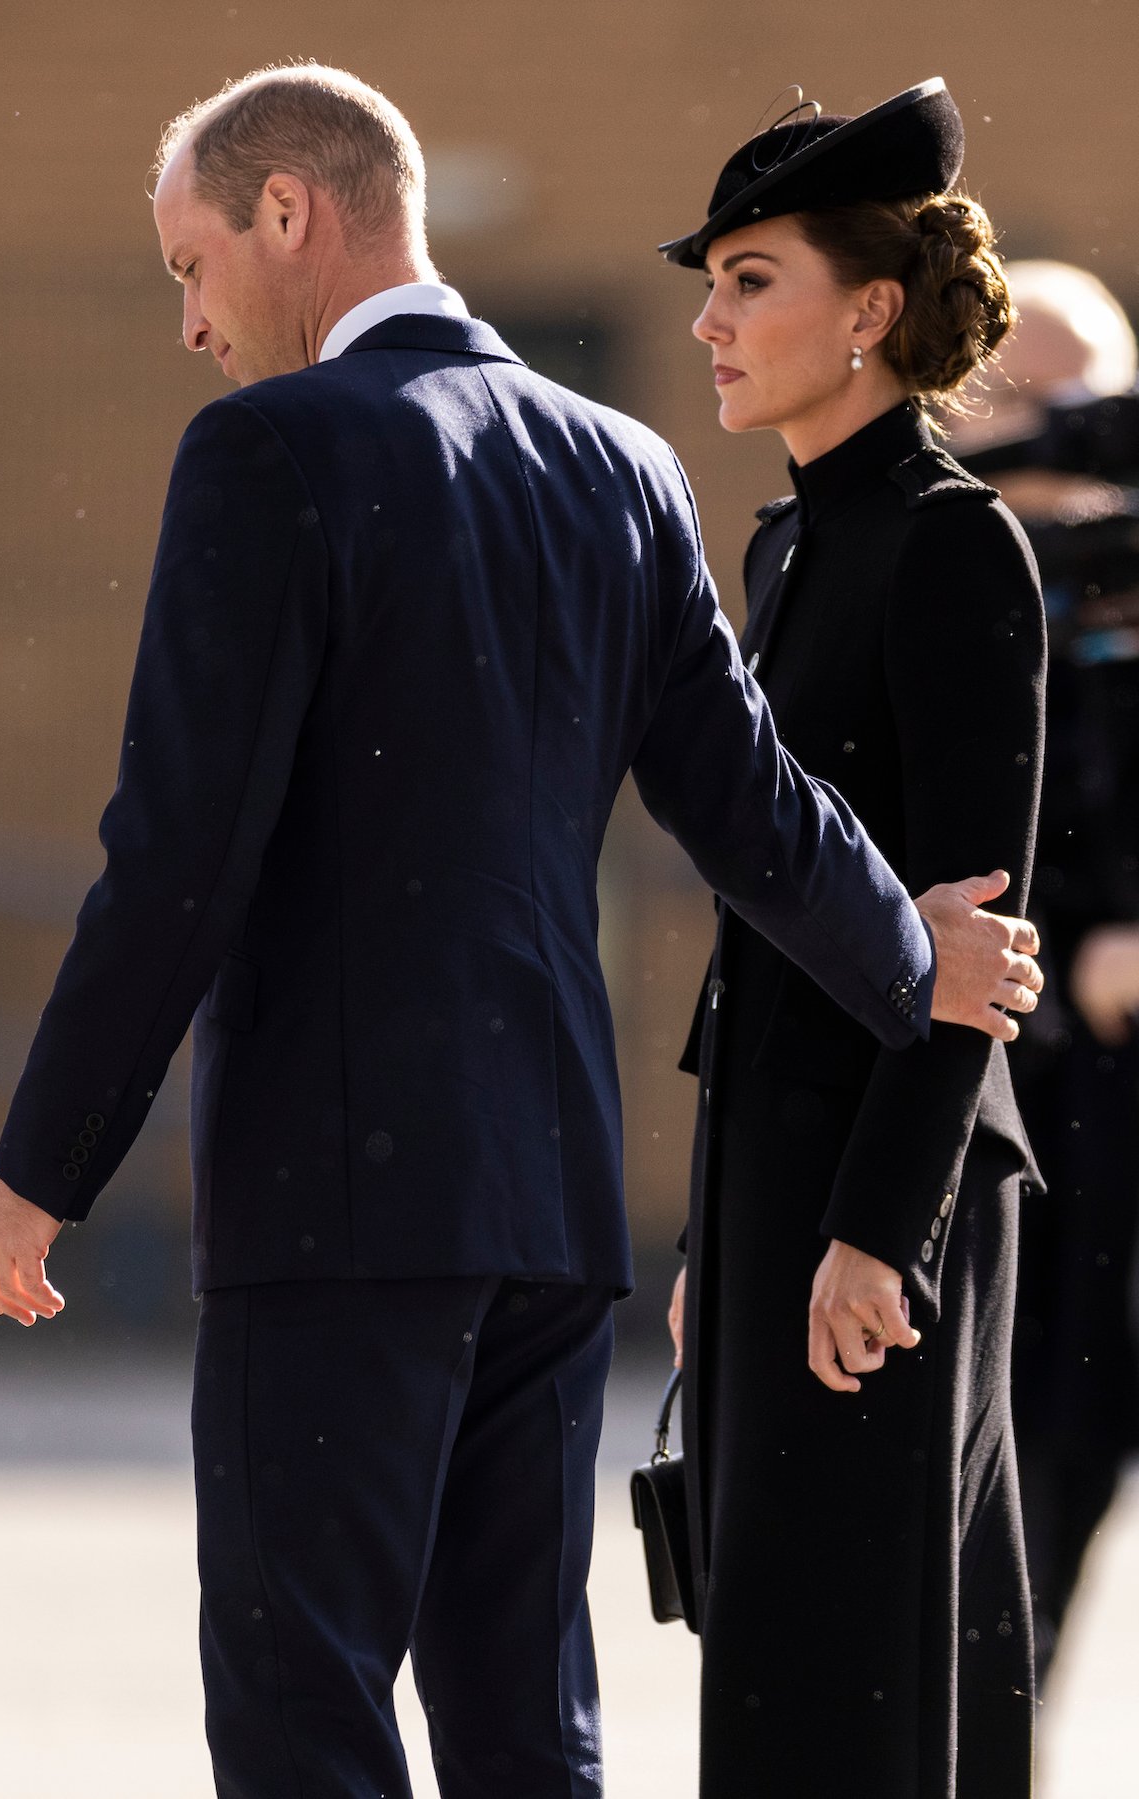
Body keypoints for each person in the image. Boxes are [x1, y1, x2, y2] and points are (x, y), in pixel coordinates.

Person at [0, 65, 1042, 1799]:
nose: (188, 324)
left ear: (290, 214)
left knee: (306, 1712)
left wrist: (40, 1166)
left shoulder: (266, 450)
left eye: (188, 266)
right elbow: (748, 800)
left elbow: (176, 858)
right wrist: (911, 955)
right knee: (530, 1732)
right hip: (551, 1211)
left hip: (337, 1214)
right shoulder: (614, 462)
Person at [662, 80, 1046, 1797]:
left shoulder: (956, 547)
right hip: (775, 1174)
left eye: (752, 280)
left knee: (859, 1682)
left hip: (890, 1182)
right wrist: (724, 1230)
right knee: (772, 1667)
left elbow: (982, 943)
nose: (711, 321)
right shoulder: (794, 536)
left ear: (868, 311)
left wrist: (880, 1232)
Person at [955, 262, 1139, 1686]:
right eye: (1032, 404)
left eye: (1098, 405)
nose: (1070, 438)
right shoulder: (954, 611)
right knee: (1004, 1583)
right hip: (1037, 1157)